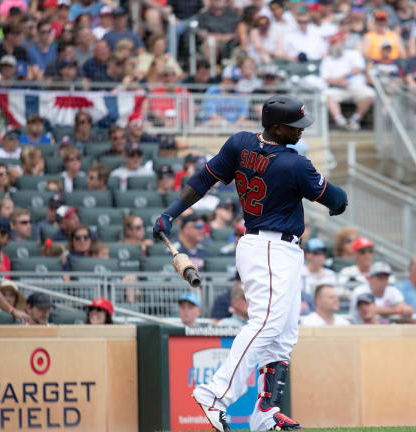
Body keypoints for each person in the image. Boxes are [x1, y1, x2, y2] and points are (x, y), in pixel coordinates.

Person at [152, 94, 347, 432]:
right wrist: (336, 199)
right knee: (268, 323)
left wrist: (170, 213)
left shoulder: (241, 144)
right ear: (275, 126)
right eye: (294, 126)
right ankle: (215, 393)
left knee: (284, 334)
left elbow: (201, 182)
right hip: (269, 247)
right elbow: (337, 201)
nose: (300, 131)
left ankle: (265, 414)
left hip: (271, 248)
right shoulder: (294, 163)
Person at [321, 32, 374, 131]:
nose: (337, 45)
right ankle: (341, 122)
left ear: (343, 43)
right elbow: (326, 78)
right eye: (334, 43)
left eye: (339, 42)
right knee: (326, 95)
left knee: (369, 94)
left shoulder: (353, 53)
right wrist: (339, 81)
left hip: (356, 87)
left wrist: (345, 77)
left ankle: (355, 120)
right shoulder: (328, 59)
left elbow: (359, 68)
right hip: (338, 88)